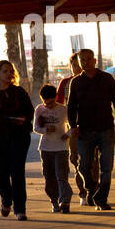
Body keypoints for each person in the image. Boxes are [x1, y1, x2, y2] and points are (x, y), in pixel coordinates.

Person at [66, 48, 115, 210]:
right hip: (84, 131)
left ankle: (101, 198)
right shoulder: (76, 82)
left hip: (106, 129)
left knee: (107, 166)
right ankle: (91, 188)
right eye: (82, 60)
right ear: (79, 63)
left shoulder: (107, 79)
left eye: (88, 59)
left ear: (95, 60)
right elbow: (71, 107)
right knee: (84, 166)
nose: (85, 63)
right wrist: (73, 126)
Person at [0, 60, 34, 220]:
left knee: (17, 172)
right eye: (5, 71)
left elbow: (30, 112)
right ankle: (6, 200)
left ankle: (20, 209)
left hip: (19, 137)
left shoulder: (19, 92)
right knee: (1, 173)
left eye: (11, 71)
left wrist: (23, 120)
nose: (9, 74)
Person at [57, 52, 97, 202]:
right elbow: (59, 106)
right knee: (77, 160)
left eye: (79, 64)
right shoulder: (65, 83)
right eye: (74, 65)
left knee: (94, 162)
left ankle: (94, 190)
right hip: (73, 129)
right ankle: (83, 192)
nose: (78, 68)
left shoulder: (94, 80)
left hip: (93, 126)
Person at [34, 84, 73, 213]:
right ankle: (54, 200)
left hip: (61, 148)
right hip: (45, 148)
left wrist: (67, 135)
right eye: (46, 103)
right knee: (49, 176)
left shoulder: (64, 110)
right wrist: (46, 129)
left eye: (51, 102)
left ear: (56, 97)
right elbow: (36, 128)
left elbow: (74, 126)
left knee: (61, 175)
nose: (48, 105)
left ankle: (65, 201)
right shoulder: (39, 109)